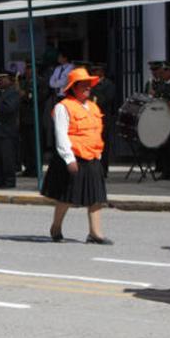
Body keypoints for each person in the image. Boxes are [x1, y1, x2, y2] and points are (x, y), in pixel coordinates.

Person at [40, 67, 112, 244]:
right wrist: (69, 158)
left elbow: (97, 131)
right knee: (66, 195)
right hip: (73, 156)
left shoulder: (93, 107)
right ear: (73, 87)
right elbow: (61, 134)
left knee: (97, 196)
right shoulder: (63, 107)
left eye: (89, 85)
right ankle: (56, 227)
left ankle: (95, 233)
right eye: (83, 85)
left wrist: (99, 153)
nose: (88, 88)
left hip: (92, 155)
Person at [0, 71, 21, 188]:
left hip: (7, 131)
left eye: (3, 79)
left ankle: (9, 181)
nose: (0, 81)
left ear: (9, 80)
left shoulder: (13, 93)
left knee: (7, 158)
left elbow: (10, 108)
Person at [90, 62, 118, 178]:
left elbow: (105, 100)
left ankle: (103, 169)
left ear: (101, 72)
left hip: (103, 118)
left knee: (103, 146)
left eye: (96, 71)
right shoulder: (91, 84)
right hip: (91, 118)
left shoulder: (108, 85)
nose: (94, 73)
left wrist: (93, 96)